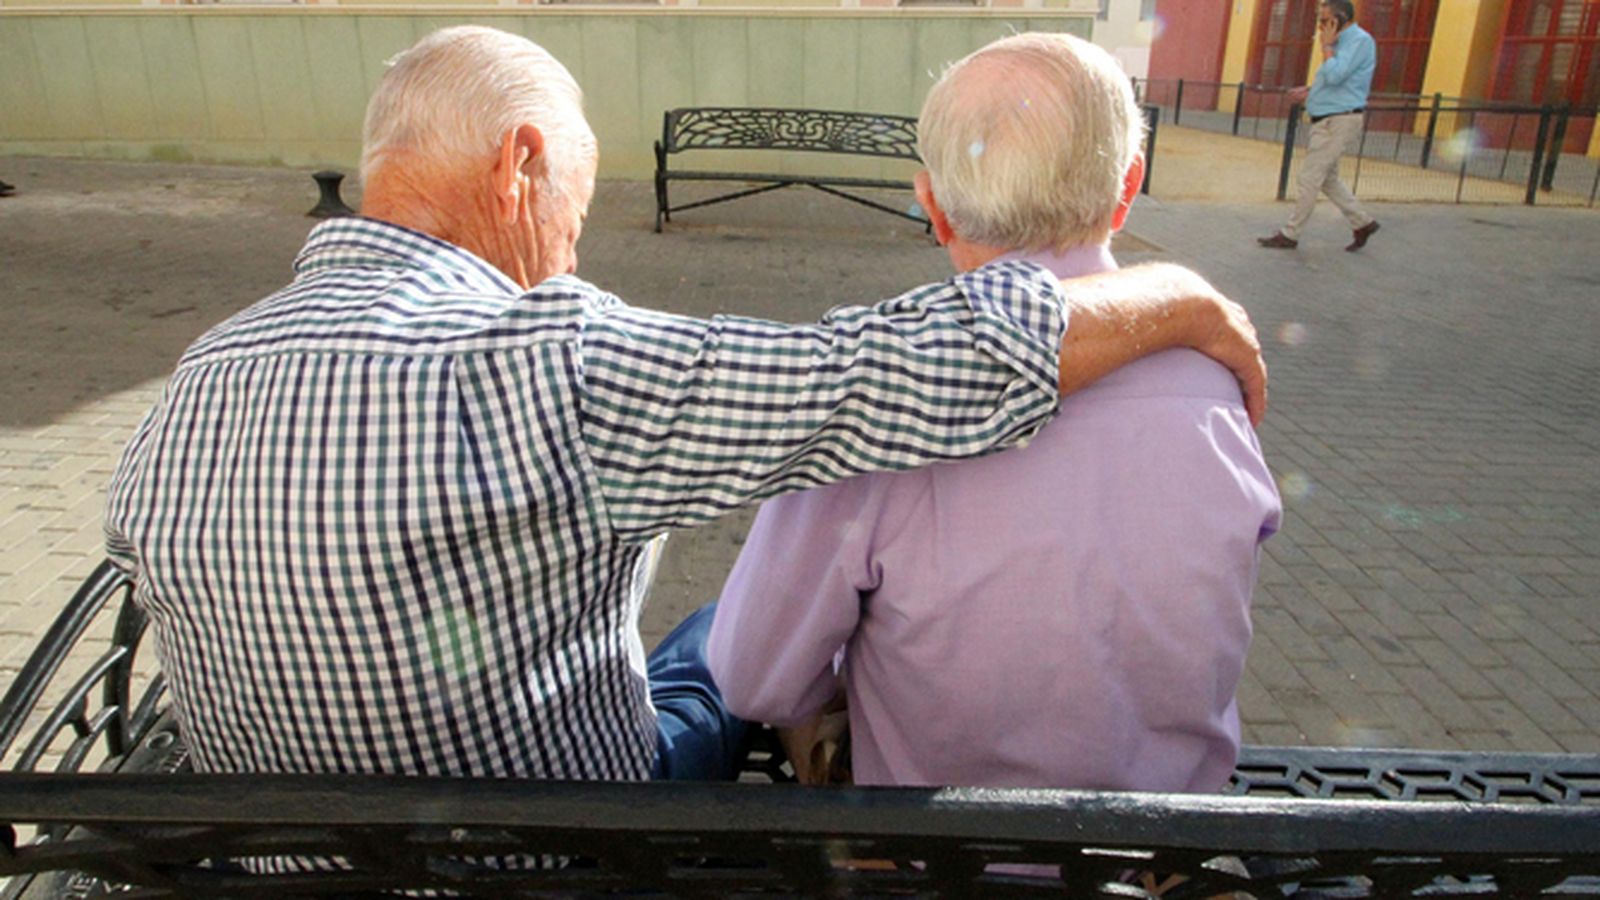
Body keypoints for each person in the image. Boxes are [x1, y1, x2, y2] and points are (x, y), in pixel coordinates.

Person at [104, 25, 1266, 788]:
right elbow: (898, 372)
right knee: (714, 646)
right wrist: (1180, 297)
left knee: (758, 618)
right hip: (557, 854)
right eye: (577, 194)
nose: (572, 240)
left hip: (273, 861)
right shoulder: (551, 361)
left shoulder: (201, 372)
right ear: (518, 166)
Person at [709, 32, 1283, 793]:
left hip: (944, 852)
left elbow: (753, 681)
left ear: (934, 208)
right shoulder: (1219, 378)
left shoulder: (881, 394)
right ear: (1128, 187)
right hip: (1160, 842)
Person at [1259, 0, 1381, 252]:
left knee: (1310, 177)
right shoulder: (1340, 43)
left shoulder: (1358, 41)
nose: (1321, 26)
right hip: (1328, 116)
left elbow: (1337, 74)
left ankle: (1290, 234)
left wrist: (1326, 47)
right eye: (1320, 20)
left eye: (1326, 21)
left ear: (1341, 20)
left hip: (1338, 120)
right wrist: (1311, 90)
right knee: (1328, 179)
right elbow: (1339, 80)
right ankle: (1363, 222)